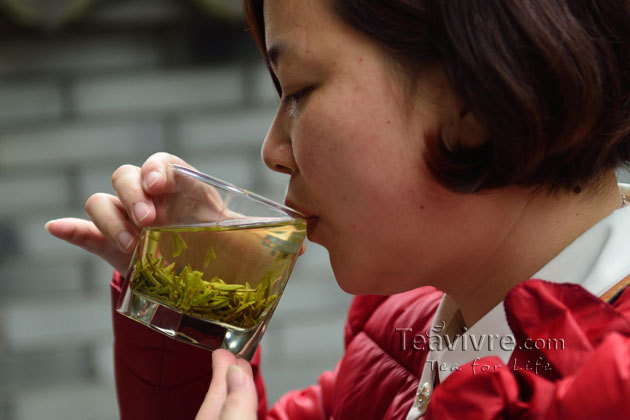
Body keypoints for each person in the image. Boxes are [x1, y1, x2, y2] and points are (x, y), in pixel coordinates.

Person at [46, 0, 630, 418]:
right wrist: (193, 297)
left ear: (474, 95)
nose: (274, 152)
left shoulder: (609, 385)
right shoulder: (402, 337)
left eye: (298, 91)